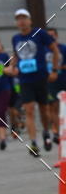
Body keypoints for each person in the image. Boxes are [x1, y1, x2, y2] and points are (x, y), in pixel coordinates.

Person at [11, 9, 59, 156]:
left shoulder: (39, 33)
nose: (21, 21)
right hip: (25, 80)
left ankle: (45, 131)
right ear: (16, 23)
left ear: (30, 20)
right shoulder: (15, 38)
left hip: (41, 77)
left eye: (24, 18)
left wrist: (54, 70)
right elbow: (16, 55)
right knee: (29, 110)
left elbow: (55, 51)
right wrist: (13, 66)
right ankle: (33, 143)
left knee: (44, 110)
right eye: (18, 19)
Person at [0, 35, 14, 150]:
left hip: (4, 88)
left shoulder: (4, 56)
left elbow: (10, 71)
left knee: (1, 111)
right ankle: (0, 134)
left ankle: (2, 137)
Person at [46, 28, 66, 144]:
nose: (51, 37)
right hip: (50, 83)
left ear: (57, 36)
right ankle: (57, 132)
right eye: (49, 36)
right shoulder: (43, 50)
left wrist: (58, 68)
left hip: (63, 80)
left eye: (53, 35)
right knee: (53, 107)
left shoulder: (63, 48)